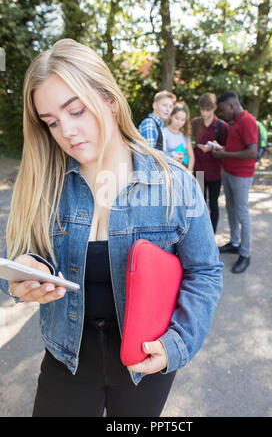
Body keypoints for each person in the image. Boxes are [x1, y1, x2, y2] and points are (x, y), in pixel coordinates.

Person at [0, 39, 223, 417]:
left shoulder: (175, 183)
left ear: (109, 100)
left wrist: (178, 343)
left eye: (76, 110)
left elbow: (204, 271)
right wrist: (27, 270)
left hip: (145, 363)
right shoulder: (44, 184)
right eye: (52, 122)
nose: (66, 131)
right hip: (66, 359)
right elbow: (23, 256)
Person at [212, 91, 258, 274]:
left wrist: (224, 154)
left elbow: (252, 153)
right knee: (230, 209)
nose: (222, 115)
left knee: (241, 213)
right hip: (229, 173)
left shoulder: (247, 121)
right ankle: (235, 243)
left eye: (223, 110)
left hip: (241, 176)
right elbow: (237, 147)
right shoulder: (236, 122)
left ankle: (245, 254)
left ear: (231, 106)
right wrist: (222, 149)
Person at [191, 93, 228, 233]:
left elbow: (227, 149)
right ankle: (200, 233)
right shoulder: (194, 123)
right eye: (202, 110)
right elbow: (188, 142)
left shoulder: (222, 126)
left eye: (208, 110)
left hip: (215, 172)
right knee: (200, 204)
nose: (205, 113)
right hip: (198, 170)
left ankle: (212, 235)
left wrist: (216, 147)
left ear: (214, 108)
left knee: (213, 204)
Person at [163, 101, 195, 170]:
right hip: (169, 171)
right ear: (171, 116)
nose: (179, 122)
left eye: (183, 120)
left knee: (200, 177)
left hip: (183, 171)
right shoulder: (163, 132)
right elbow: (160, 154)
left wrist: (189, 172)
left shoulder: (185, 135)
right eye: (176, 118)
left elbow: (191, 157)